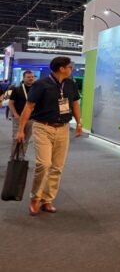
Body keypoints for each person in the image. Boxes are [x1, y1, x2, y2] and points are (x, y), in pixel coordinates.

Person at [16, 57, 82, 216]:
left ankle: (47, 199)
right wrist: (21, 130)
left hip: (63, 128)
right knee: (44, 164)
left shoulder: (71, 84)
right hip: (43, 127)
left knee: (57, 167)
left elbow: (74, 103)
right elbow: (29, 107)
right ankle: (35, 198)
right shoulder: (41, 84)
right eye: (69, 67)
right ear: (61, 68)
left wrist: (79, 123)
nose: (71, 69)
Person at [8, 70, 36, 155]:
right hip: (19, 117)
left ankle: (21, 157)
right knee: (16, 138)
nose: (31, 78)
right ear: (23, 78)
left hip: (31, 119)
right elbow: (10, 103)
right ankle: (13, 158)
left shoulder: (36, 89)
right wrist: (15, 114)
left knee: (26, 139)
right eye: (28, 77)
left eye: (32, 77)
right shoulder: (17, 89)